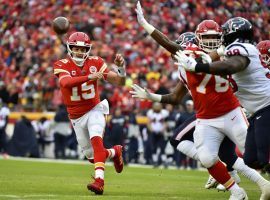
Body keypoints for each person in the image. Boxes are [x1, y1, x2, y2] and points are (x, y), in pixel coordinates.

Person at [134, 2, 270, 199]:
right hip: (207, 118)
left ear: (222, 37)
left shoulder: (228, 51)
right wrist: (146, 25)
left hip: (232, 111)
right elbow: (169, 45)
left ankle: (263, 184)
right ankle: (237, 192)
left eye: (215, 37)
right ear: (198, 39)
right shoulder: (190, 55)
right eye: (206, 38)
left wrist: (203, 63)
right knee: (207, 157)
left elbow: (233, 64)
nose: (211, 41)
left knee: (253, 155)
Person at [175, 17, 270, 176]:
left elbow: (232, 65)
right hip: (256, 111)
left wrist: (199, 66)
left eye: (224, 33)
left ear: (233, 33)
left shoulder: (240, 48)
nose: (222, 36)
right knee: (251, 159)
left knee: (263, 157)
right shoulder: (233, 49)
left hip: (265, 106)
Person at [53, 31, 126, 195]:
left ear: (88, 50)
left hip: (95, 108)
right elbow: (65, 83)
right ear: (70, 48)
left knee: (96, 142)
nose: (79, 52)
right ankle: (115, 152)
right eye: (75, 48)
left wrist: (121, 69)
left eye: (82, 49)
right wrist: (89, 76)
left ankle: (99, 181)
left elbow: (118, 81)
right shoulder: (62, 64)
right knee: (91, 156)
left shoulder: (96, 61)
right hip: (76, 116)